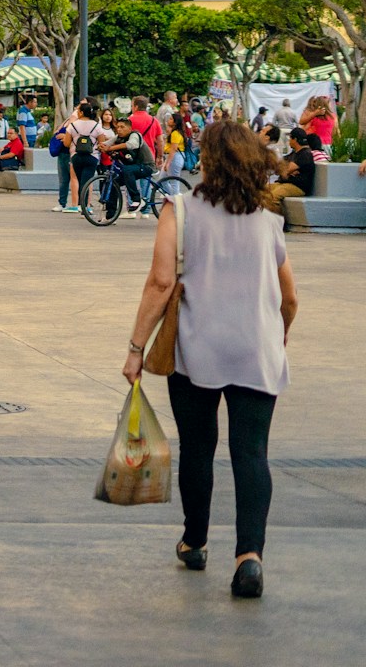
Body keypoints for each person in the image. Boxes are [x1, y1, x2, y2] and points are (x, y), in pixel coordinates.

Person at [123, 119, 297, 600]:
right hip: (257, 349)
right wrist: (278, 334)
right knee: (251, 453)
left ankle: (195, 541)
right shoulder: (269, 221)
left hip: (196, 349)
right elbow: (290, 298)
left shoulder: (179, 211)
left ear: (208, 160)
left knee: (198, 448)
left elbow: (160, 284)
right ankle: (249, 558)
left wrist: (136, 348)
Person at [60, 101, 106, 215]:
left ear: (81, 112)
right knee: (88, 180)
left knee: (80, 181)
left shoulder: (72, 125)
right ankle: (85, 206)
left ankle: (82, 205)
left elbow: (66, 143)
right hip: (92, 157)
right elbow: (102, 143)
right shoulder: (97, 126)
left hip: (76, 156)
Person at [107, 112, 156, 214]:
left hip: (146, 166)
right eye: (117, 127)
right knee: (113, 182)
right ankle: (110, 215)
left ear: (129, 129)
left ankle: (137, 200)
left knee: (126, 170)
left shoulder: (135, 135)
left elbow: (131, 144)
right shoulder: (118, 137)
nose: (119, 129)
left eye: (122, 127)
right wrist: (101, 146)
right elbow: (107, 143)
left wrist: (111, 148)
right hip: (134, 167)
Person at [267, 128, 319, 213]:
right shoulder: (294, 153)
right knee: (262, 190)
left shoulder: (305, 154)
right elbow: (278, 168)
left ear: (295, 139)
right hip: (285, 183)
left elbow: (286, 170)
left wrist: (285, 170)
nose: (289, 141)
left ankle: (278, 222)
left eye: (290, 139)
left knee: (274, 196)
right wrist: (286, 170)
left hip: (297, 186)